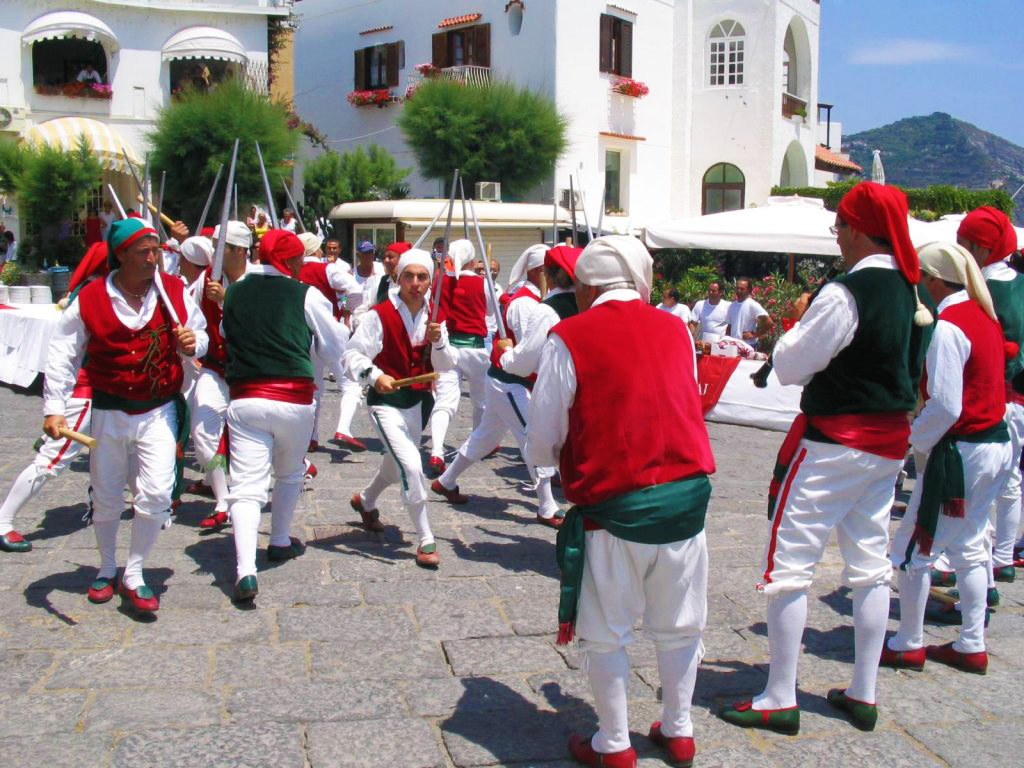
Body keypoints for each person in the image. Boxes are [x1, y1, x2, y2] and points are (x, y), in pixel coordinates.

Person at [719, 182, 931, 734]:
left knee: (789, 567)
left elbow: (791, 366)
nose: (836, 236)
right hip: (888, 447)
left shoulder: (846, 292)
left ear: (858, 230)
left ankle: (779, 695)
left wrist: (798, 321)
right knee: (869, 566)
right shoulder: (915, 291)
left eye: (839, 226)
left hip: (834, 444)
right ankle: (863, 690)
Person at [525, 236, 715, 768]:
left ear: (586, 288)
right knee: (680, 623)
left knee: (606, 630)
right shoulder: (676, 329)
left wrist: (560, 459)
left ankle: (613, 743)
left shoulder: (570, 335)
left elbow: (542, 436)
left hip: (615, 503)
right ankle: (678, 729)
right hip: (685, 500)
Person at [42, 218, 208, 614]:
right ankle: (106, 567)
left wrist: (192, 343)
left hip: (159, 408)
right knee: (106, 494)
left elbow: (200, 335)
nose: (154, 258)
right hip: (109, 410)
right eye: (144, 251)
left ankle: (134, 571)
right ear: (121, 255)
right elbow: (62, 353)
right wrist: (54, 408)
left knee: (157, 492)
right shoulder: (91, 297)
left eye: (156, 250)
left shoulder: (172, 290)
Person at [882, 241, 1010, 677]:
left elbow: (946, 404)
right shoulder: (984, 316)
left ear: (933, 281)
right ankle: (972, 643)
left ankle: (908, 642)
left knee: (913, 548)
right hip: (994, 443)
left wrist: (911, 440)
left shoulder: (950, 326)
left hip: (962, 450)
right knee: (971, 545)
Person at [221, 230, 347, 602]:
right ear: (291, 261)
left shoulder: (234, 292)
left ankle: (245, 570)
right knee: (289, 472)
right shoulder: (305, 294)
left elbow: (226, 332)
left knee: (246, 486)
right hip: (293, 397)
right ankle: (278, 540)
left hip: (245, 398)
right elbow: (335, 345)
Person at [434, 245, 578, 526]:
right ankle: (547, 505)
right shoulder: (526, 303)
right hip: (510, 381)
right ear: (539, 272)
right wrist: (509, 353)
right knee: (534, 435)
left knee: (485, 437)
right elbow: (527, 352)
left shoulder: (546, 301)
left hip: (516, 378)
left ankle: (446, 480)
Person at [344, 249, 456, 568]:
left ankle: (365, 501)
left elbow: (445, 366)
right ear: (398, 278)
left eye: (422, 277)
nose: (415, 283)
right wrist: (375, 376)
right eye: (409, 276)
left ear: (430, 281)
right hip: (386, 404)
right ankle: (426, 538)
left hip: (418, 403)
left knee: (395, 466)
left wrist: (439, 342)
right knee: (411, 465)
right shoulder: (379, 315)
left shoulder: (435, 317)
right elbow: (352, 354)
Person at [0, 243, 109, 554]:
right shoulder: (95, 293)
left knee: (111, 454)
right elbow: (67, 352)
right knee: (52, 460)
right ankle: (3, 521)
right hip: (85, 389)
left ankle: (105, 506)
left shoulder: (96, 289)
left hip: (100, 389)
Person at [956, 207, 1024, 584]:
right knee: (1010, 482)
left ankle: (973, 563)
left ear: (981, 249)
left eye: (963, 243)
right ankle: (1002, 557)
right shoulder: (1021, 283)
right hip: (1018, 398)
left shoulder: (982, 289)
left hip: (994, 397)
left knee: (978, 488)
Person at [189, 222, 253, 530]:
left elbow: (263, 323)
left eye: (219, 247)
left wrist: (228, 300)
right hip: (214, 367)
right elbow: (189, 315)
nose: (213, 252)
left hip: (252, 373)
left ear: (239, 250)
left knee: (251, 441)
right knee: (202, 432)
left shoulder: (259, 280)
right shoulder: (205, 280)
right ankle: (222, 499)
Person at [333, 241, 411, 450]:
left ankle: (399, 435)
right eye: (385, 256)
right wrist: (357, 321)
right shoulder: (380, 281)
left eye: (391, 257)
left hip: (402, 345)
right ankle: (343, 429)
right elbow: (368, 306)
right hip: (379, 341)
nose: (386, 260)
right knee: (354, 380)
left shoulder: (411, 285)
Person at [426, 239, 493, 475]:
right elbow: (491, 311)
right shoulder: (484, 284)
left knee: (444, 402)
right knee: (480, 400)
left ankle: (436, 451)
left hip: (448, 347)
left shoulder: (441, 282)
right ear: (472, 260)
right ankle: (477, 443)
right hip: (475, 349)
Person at [724, 277, 772, 343]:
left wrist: (755, 335)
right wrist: (726, 340)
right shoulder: (732, 305)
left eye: (742, 289)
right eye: (737, 288)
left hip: (748, 345)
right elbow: (729, 326)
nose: (739, 291)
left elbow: (769, 322)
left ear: (748, 290)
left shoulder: (752, 304)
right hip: (734, 345)